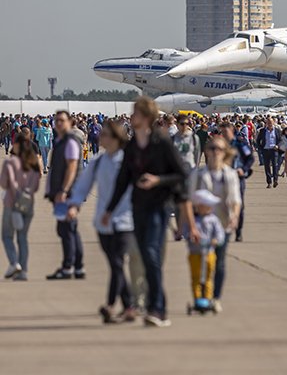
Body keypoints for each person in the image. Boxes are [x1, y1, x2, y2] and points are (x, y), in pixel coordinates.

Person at [104, 97, 197, 327]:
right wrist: (109, 210)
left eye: (135, 113)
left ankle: (158, 309)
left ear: (145, 117)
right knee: (147, 256)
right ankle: (158, 307)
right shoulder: (133, 146)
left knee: (150, 253)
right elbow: (123, 180)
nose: (131, 116)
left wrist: (158, 180)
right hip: (139, 207)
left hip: (159, 206)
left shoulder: (162, 143)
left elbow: (181, 174)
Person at [67, 121, 138, 323]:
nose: (100, 137)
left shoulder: (129, 161)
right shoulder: (98, 161)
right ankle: (129, 306)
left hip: (125, 221)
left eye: (105, 134)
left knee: (116, 262)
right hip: (103, 222)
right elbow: (83, 185)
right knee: (115, 264)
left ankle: (110, 304)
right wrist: (74, 204)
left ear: (116, 138)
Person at [187, 136, 241, 312]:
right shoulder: (198, 174)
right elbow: (188, 200)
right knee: (199, 261)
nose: (215, 152)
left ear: (225, 152)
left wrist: (235, 217)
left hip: (222, 225)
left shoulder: (230, 174)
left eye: (219, 149)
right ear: (206, 152)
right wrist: (188, 225)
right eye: (211, 149)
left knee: (218, 262)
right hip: (201, 226)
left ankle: (214, 297)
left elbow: (236, 201)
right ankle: (201, 296)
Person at [46, 110, 85, 280]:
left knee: (66, 229)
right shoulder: (60, 141)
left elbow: (72, 167)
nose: (59, 123)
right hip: (64, 192)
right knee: (70, 229)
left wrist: (63, 190)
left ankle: (68, 266)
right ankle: (77, 267)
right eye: (57, 121)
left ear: (70, 122)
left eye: (62, 120)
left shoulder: (70, 142)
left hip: (68, 193)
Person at [1, 135, 41, 281]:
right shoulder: (34, 163)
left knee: (7, 236)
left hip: (11, 204)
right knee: (22, 237)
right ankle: (23, 271)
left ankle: (13, 262)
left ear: (16, 145)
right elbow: (36, 186)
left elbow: (5, 184)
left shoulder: (10, 162)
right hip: (28, 204)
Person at [185, 189, 226, 312]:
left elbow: (220, 234)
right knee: (196, 277)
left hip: (209, 252)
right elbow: (186, 232)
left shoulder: (213, 220)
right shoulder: (193, 221)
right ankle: (197, 299)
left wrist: (216, 240)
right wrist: (191, 237)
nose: (209, 208)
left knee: (208, 277)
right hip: (195, 253)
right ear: (199, 206)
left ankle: (208, 299)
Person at [221, 123, 253, 242]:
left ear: (232, 131)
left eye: (226, 132)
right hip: (223, 178)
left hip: (237, 178)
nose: (224, 134)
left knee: (239, 204)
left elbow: (250, 158)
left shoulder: (240, 144)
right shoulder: (220, 145)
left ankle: (238, 231)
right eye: (222, 132)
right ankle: (225, 229)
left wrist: (243, 169)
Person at [257, 117, 282, 188]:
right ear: (266, 123)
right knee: (267, 167)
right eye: (268, 122)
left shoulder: (277, 130)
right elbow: (258, 140)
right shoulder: (263, 131)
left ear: (273, 123)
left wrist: (278, 146)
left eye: (271, 122)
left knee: (275, 165)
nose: (270, 124)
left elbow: (280, 140)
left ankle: (275, 180)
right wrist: (261, 148)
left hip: (274, 150)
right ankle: (269, 182)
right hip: (266, 150)